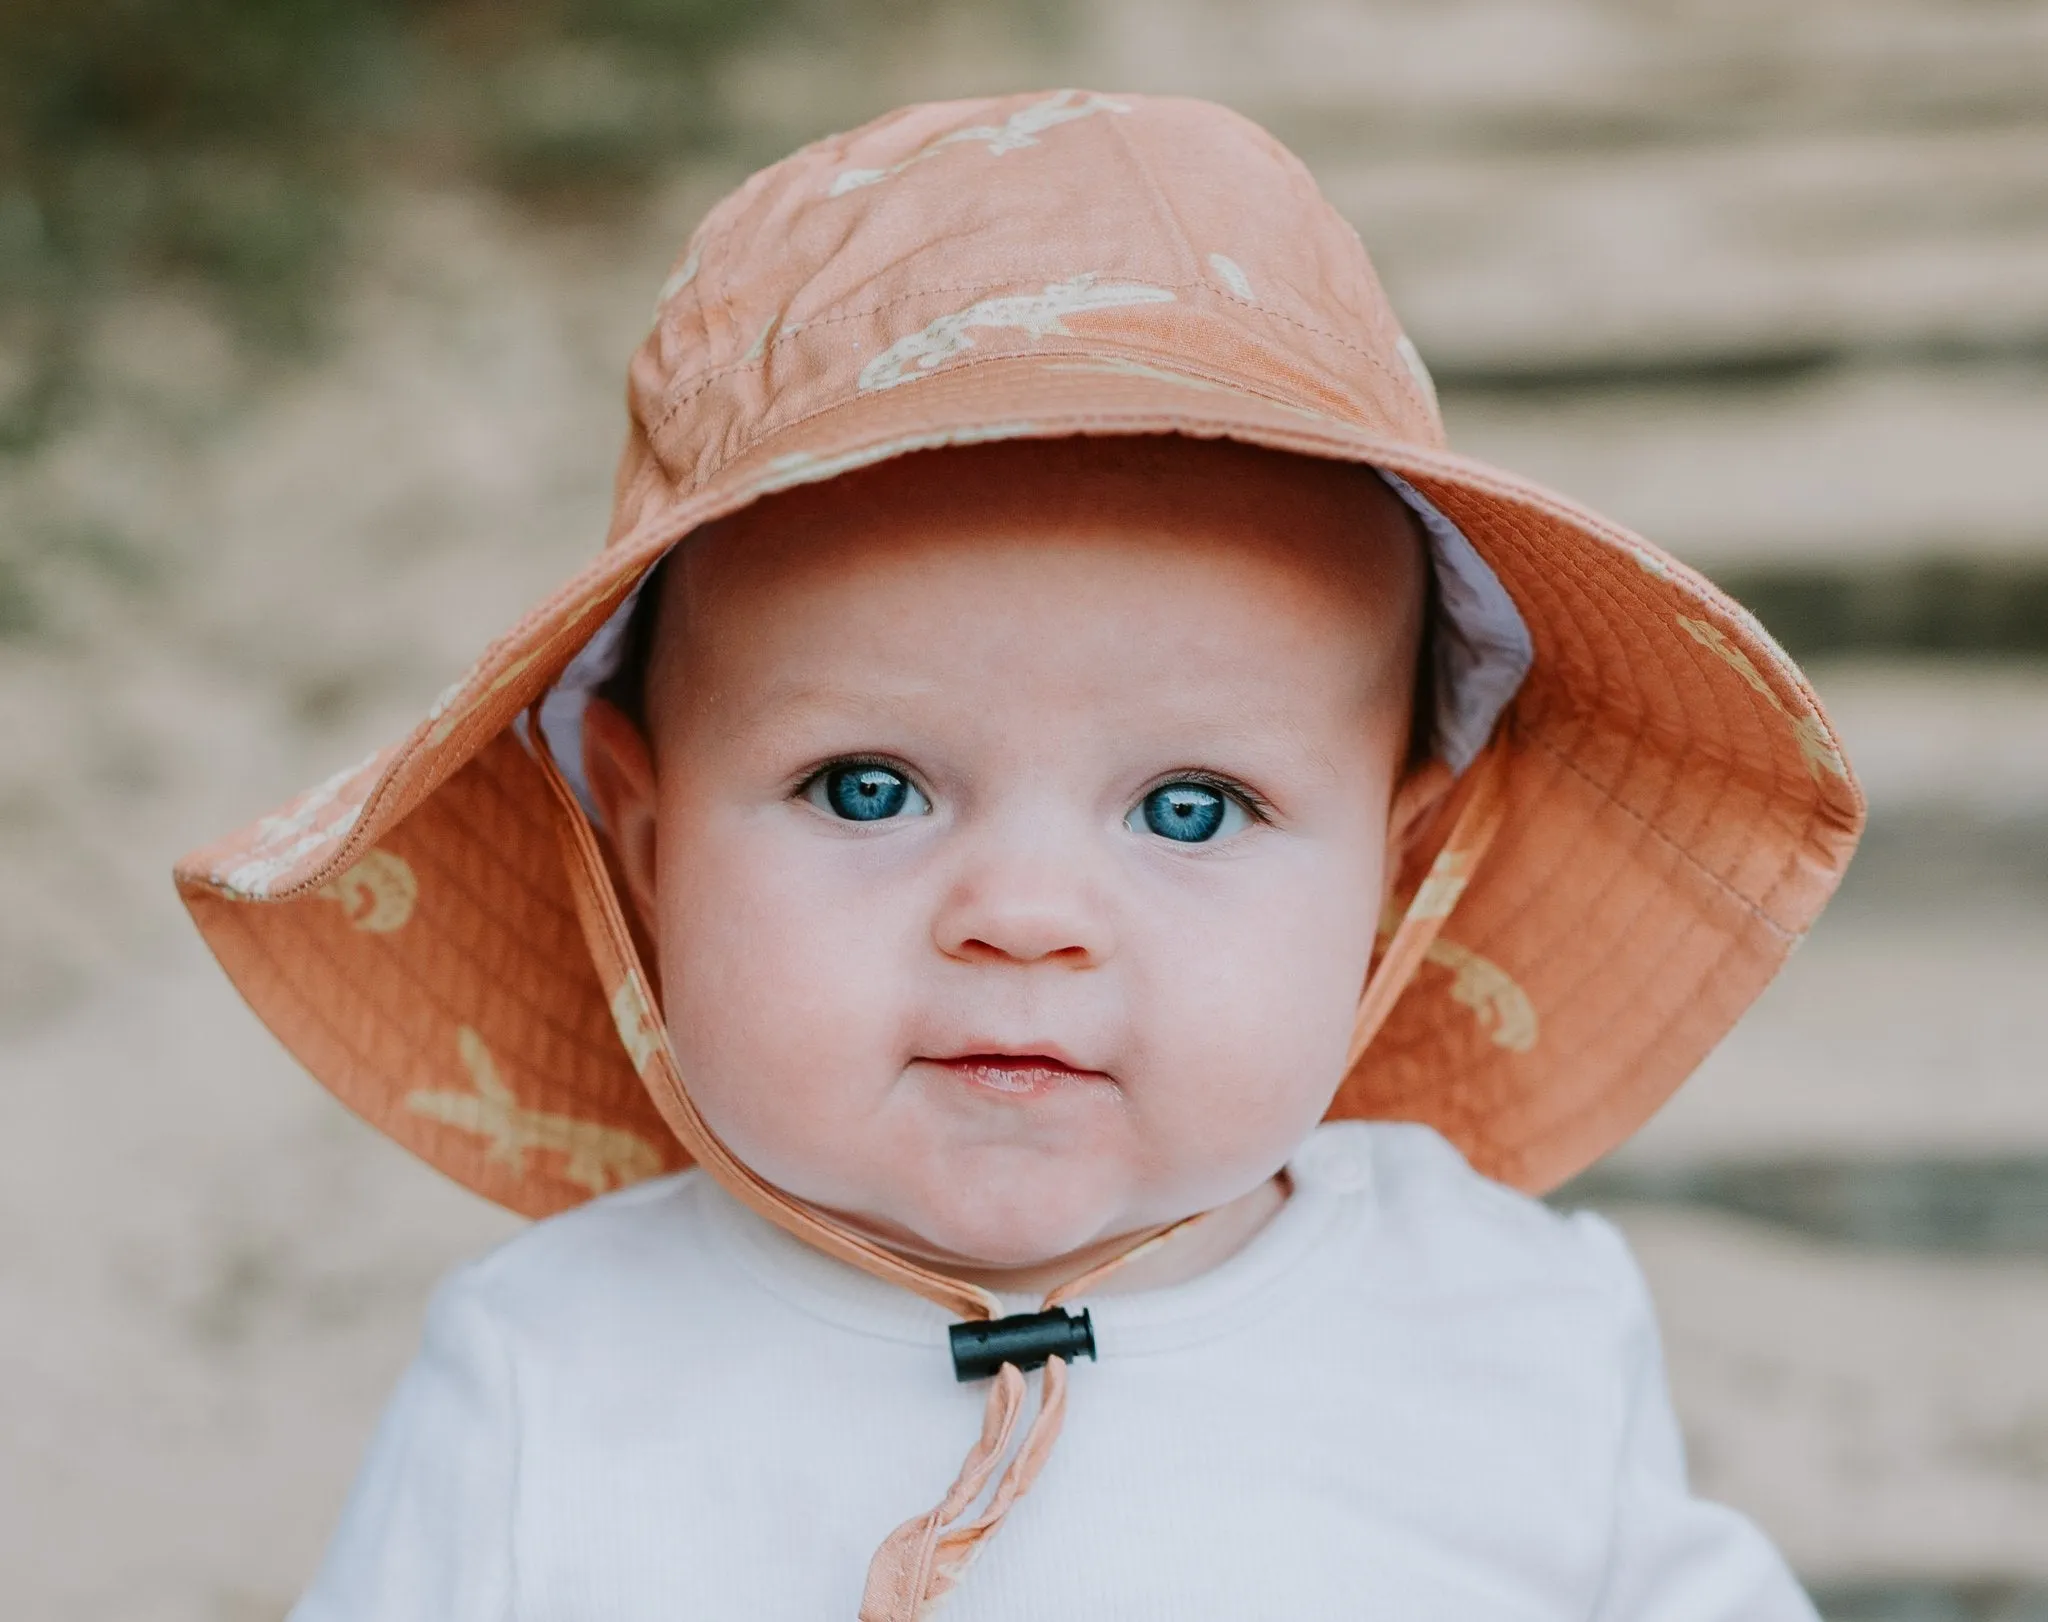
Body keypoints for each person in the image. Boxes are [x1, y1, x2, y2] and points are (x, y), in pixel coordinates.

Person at [174, 90, 1866, 1620]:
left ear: (1391, 883)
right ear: (645, 842)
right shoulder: (546, 1371)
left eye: (1190, 806)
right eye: (867, 788)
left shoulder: (1509, 1326)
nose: (1025, 917)